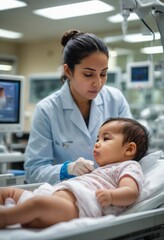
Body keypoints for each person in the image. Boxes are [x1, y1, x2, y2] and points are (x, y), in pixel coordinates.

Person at [24, 29, 133, 184]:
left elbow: (131, 149)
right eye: (88, 74)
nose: (98, 83)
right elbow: (33, 171)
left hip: (111, 188)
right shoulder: (47, 110)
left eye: (103, 73)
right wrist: (67, 169)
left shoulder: (115, 99)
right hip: (67, 193)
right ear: (68, 71)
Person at [0, 118, 149, 229]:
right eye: (98, 139)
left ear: (129, 149)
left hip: (77, 207)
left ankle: (6, 217)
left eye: (106, 138)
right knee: (9, 192)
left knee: (38, 204)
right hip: (53, 194)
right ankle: (23, 214)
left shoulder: (129, 166)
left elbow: (131, 192)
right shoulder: (100, 170)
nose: (97, 143)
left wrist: (111, 196)